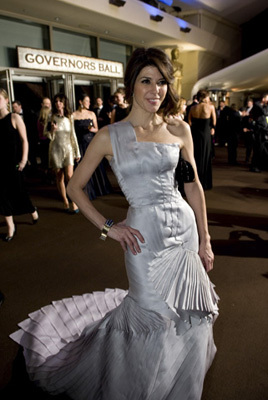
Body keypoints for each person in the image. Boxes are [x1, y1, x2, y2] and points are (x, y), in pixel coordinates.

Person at [10, 48, 219, 399]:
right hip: (142, 238)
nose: (156, 90)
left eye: (162, 82)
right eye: (146, 81)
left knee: (186, 310)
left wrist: (206, 238)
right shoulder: (111, 135)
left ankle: (178, 386)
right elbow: (75, 188)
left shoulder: (179, 128)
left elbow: (193, 185)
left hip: (183, 232)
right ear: (132, 85)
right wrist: (109, 227)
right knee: (151, 312)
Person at [0, 89, 39, 242]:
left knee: (19, 192)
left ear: (6, 100)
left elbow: (25, 141)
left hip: (14, 163)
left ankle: (32, 211)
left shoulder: (15, 118)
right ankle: (11, 226)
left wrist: (23, 160)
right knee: (1, 195)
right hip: (0, 164)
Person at [45, 93, 80, 212]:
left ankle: (74, 202)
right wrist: (52, 131)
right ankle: (65, 201)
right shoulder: (51, 117)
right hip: (55, 149)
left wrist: (77, 152)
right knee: (59, 177)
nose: (58, 103)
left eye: (60, 101)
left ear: (64, 103)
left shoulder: (69, 117)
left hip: (69, 149)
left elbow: (73, 135)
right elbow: (47, 135)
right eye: (56, 102)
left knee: (70, 177)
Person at [73, 93, 111, 200]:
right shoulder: (73, 115)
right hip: (80, 144)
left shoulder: (92, 114)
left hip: (91, 143)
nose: (89, 103)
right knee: (82, 168)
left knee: (94, 166)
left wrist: (91, 130)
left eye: (89, 101)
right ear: (80, 102)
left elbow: (97, 129)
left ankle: (99, 189)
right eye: (87, 101)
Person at [188, 89, 217, 190]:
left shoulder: (192, 108)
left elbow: (189, 123)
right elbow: (214, 122)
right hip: (205, 135)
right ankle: (204, 182)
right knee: (205, 156)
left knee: (195, 156)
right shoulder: (210, 107)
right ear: (205, 97)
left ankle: (195, 180)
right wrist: (212, 128)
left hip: (195, 134)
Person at [12, 99, 39, 174]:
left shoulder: (29, 114)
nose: (14, 109)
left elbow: (33, 128)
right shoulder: (12, 117)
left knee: (32, 156)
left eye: (16, 107)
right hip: (19, 140)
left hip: (30, 138)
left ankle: (35, 171)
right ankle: (25, 172)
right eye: (13, 107)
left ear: (20, 106)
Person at [37, 97, 51, 178]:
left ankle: (45, 177)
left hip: (41, 142)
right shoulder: (48, 122)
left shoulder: (39, 120)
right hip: (47, 142)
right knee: (48, 161)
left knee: (44, 161)